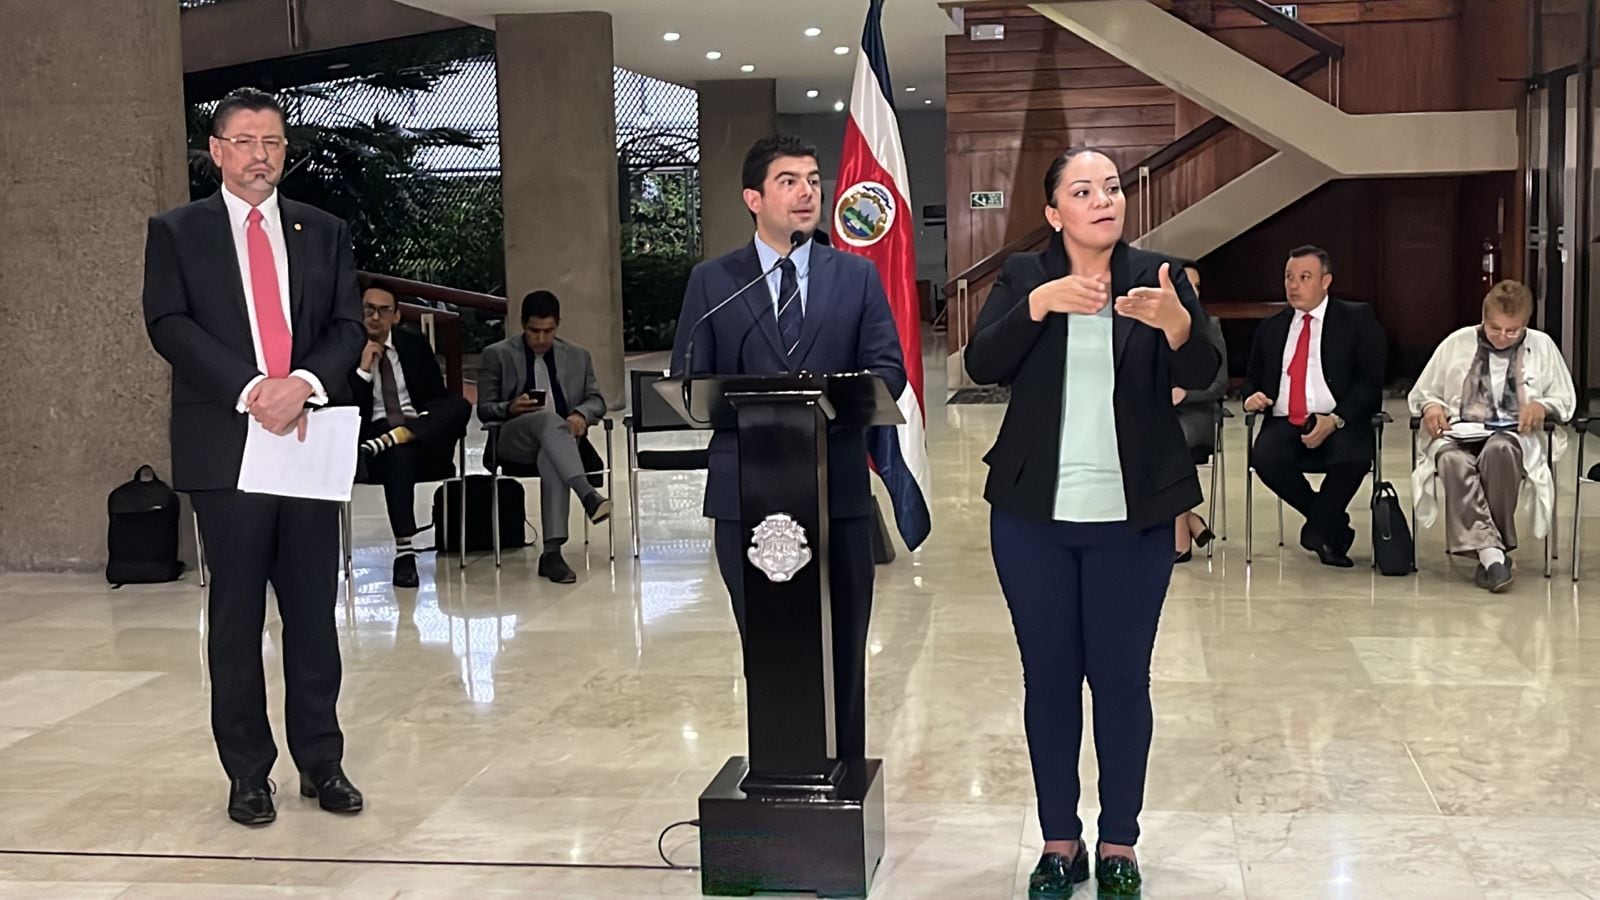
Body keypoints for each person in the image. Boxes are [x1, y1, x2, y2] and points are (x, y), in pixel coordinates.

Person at [964, 147, 1218, 899]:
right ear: (1054, 213)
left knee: (1121, 681)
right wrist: (1041, 305)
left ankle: (1119, 842)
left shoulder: (1159, 275)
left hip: (1132, 521)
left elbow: (1206, 374)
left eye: (1111, 187)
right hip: (1032, 519)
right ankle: (1059, 841)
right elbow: (982, 364)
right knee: (1048, 680)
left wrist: (1178, 327)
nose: (1103, 199)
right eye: (1083, 191)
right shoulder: (1024, 276)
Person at [141, 87, 365, 826]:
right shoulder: (178, 232)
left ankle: (322, 761)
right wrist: (251, 389)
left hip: (305, 439)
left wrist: (301, 385)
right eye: (243, 141)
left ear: (284, 150)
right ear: (216, 151)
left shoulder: (322, 230)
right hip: (227, 442)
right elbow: (168, 322)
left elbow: (346, 324)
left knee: (312, 611)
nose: (258, 156)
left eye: (271, 142)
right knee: (236, 616)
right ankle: (247, 773)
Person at [670, 134, 905, 763]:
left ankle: (842, 766)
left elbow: (888, 371)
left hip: (836, 492)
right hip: (746, 494)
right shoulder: (714, 282)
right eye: (789, 181)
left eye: (813, 180)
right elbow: (691, 381)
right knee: (768, 640)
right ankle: (779, 767)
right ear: (754, 198)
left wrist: (826, 397)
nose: (807, 192)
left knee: (843, 639)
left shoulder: (854, 276)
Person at [1409, 280, 1575, 591]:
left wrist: (1541, 405)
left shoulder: (1541, 346)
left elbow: (1565, 400)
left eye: (1512, 331)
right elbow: (1424, 392)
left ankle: (1488, 553)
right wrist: (1431, 407)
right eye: (1495, 328)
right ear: (1483, 318)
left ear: (1526, 324)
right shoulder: (1457, 342)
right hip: (1459, 432)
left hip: (1514, 435)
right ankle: (1494, 555)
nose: (1502, 337)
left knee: (1499, 451)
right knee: (1451, 461)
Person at [1243, 246, 1386, 568]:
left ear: (1326, 281)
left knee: (1353, 457)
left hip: (1339, 419)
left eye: (1304, 277)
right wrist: (1252, 398)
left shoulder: (1357, 319)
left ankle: (1319, 530)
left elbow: (1370, 383)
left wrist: (1335, 419)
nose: (1293, 285)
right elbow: (1252, 380)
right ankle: (1330, 525)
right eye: (1289, 277)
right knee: (1265, 458)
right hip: (1285, 421)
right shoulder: (1271, 327)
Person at [476, 290, 612, 584]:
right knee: (548, 420)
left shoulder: (577, 356)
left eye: (548, 331)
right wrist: (509, 407)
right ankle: (587, 493)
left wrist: (580, 415)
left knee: (551, 452)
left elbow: (597, 401)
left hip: (560, 442)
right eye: (534, 331)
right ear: (523, 325)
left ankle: (552, 554)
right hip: (514, 437)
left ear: (557, 324)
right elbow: (484, 409)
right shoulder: (497, 355)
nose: (541, 338)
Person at [349, 285, 472, 589]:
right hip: (374, 441)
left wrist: (418, 428)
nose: (375, 317)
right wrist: (363, 371)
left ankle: (403, 435)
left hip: (421, 432)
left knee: (459, 406)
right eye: (369, 309)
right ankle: (405, 553)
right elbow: (347, 411)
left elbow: (438, 399)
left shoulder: (413, 344)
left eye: (383, 310)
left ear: (396, 316)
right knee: (399, 454)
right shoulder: (346, 348)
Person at [1169, 260, 1226, 562]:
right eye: (1186, 285)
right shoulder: (1155, 324)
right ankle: (1190, 520)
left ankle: (1180, 540)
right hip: (1160, 413)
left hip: (1197, 413)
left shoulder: (1208, 325)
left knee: (1170, 441)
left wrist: (1185, 394)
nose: (1192, 292)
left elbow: (1220, 384)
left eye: (1197, 286)